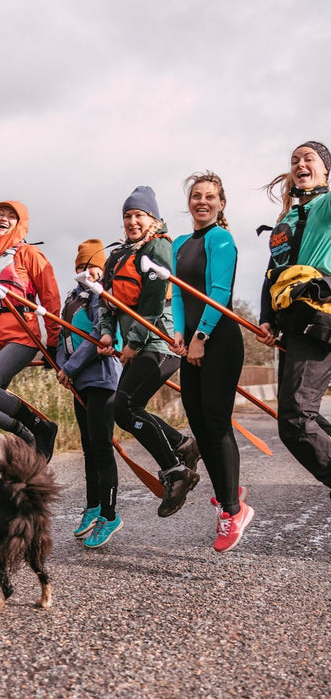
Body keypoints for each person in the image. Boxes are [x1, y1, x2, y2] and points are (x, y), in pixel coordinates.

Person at [98, 186, 200, 517]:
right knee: (127, 408)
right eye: (127, 216)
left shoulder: (158, 247)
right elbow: (107, 302)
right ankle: (182, 446)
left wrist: (132, 343)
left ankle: (176, 471)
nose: (132, 221)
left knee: (124, 406)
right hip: (137, 344)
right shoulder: (118, 254)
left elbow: (154, 300)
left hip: (162, 342)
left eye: (138, 215)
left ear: (153, 218)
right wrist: (105, 336)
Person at [171, 173, 253, 552]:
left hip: (218, 340)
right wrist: (178, 333)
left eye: (210, 197)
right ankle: (227, 487)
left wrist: (201, 337)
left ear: (221, 204)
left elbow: (219, 292)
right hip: (190, 343)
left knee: (217, 424)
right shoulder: (180, 243)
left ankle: (232, 510)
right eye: (196, 196)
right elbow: (177, 292)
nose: (202, 201)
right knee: (199, 421)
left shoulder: (222, 239)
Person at [257, 141, 331, 498]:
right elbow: (272, 273)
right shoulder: (285, 221)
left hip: (320, 316)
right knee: (303, 417)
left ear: (325, 170)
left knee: (296, 420)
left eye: (309, 159)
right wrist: (267, 319)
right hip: (289, 322)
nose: (300, 164)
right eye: (294, 161)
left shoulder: (327, 204)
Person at [0, 200, 61, 460]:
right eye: (1, 214)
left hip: (23, 336)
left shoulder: (29, 254)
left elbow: (51, 299)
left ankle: (42, 427)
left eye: (12, 216)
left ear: (19, 224)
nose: (5, 219)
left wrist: (53, 343)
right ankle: (29, 439)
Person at [57, 240, 123, 547]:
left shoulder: (102, 295)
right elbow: (62, 335)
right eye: (82, 267)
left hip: (102, 380)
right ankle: (93, 505)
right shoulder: (71, 298)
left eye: (93, 266)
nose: (87, 272)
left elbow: (98, 333)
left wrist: (70, 367)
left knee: (100, 446)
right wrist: (63, 368)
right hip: (78, 381)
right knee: (88, 447)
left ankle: (110, 514)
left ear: (104, 268)